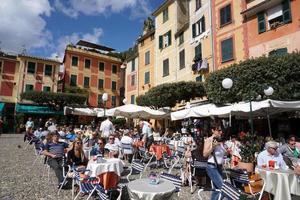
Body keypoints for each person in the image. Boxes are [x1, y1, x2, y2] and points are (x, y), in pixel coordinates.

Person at [203, 126, 226, 200]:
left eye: (221, 130)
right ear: (213, 130)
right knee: (224, 188)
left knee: (217, 190)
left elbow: (221, 155)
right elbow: (205, 154)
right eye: (219, 130)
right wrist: (212, 147)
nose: (221, 132)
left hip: (219, 167)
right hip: (212, 167)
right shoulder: (209, 140)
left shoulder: (220, 141)